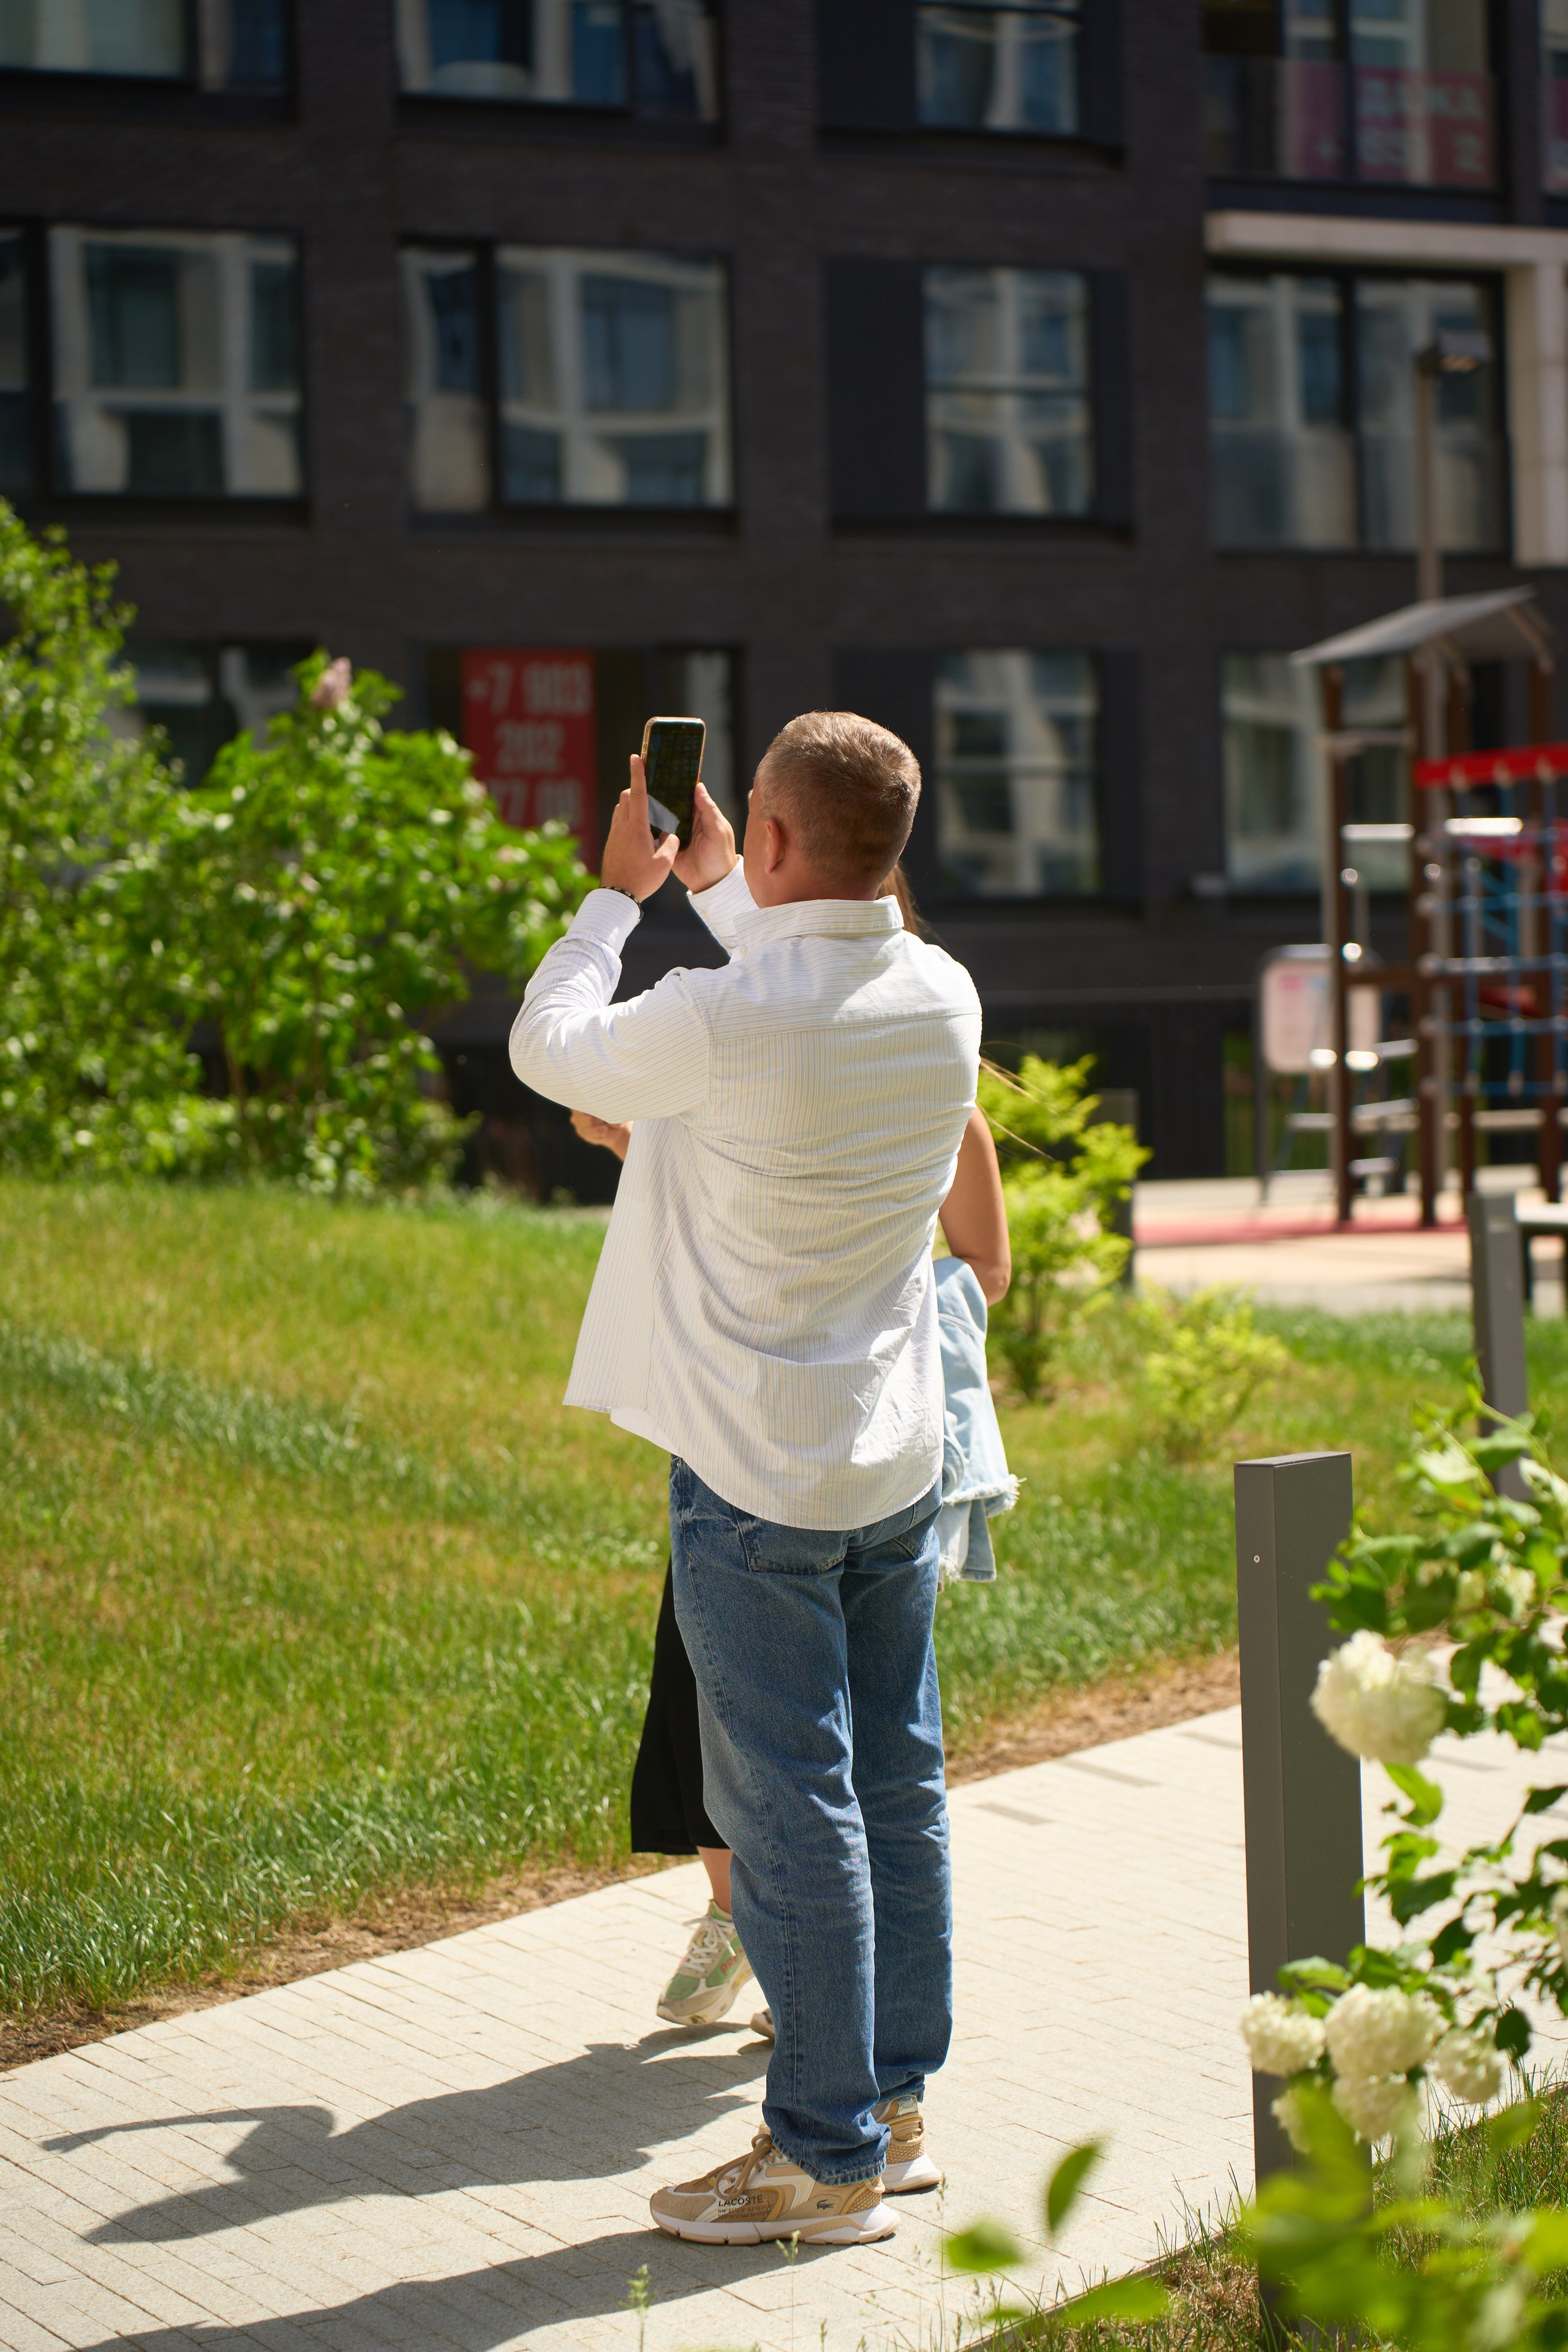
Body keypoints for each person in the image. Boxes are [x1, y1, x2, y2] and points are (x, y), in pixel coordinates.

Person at [510, 714, 981, 2248]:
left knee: (790, 1811)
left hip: (751, 1475)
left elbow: (546, 1048)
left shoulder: (718, 1017)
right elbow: (803, 966)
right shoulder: (940, 993)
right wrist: (718, 890)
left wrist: (612, 899)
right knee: (895, 1783)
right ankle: (893, 2108)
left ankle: (821, 2155)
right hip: (889, 1458)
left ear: (772, 838)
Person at [570, 952, 1010, 2047]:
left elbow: (981, 1266)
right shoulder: (764, 1069)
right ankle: (762, 1945)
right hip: (794, 1451)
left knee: (821, 1764)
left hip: (816, 1456)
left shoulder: (940, 1103)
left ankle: (814, 2020)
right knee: (736, 1715)